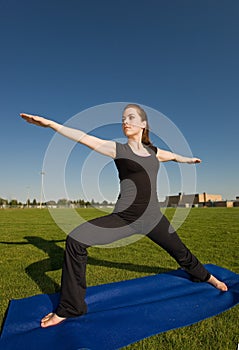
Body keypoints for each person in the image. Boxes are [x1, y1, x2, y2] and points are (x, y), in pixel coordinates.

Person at [20, 104, 228, 328]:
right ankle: (72, 307)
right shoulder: (117, 149)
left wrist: (189, 160)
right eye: (123, 119)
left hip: (153, 218)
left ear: (143, 124)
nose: (125, 122)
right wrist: (51, 124)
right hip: (125, 219)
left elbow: (174, 157)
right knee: (75, 240)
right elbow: (82, 137)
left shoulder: (154, 153)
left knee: (181, 253)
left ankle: (207, 278)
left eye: (131, 118)